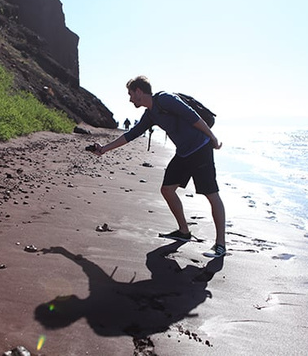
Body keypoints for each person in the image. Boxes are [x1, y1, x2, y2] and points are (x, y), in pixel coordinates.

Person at [91, 76, 226, 258]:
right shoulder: (150, 114)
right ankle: (184, 232)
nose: (130, 99)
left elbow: (193, 117)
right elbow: (132, 134)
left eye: (130, 94)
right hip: (183, 153)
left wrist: (213, 138)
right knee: (167, 189)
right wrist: (104, 149)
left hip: (200, 148)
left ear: (139, 91)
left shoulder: (165, 99)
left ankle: (220, 245)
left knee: (211, 194)